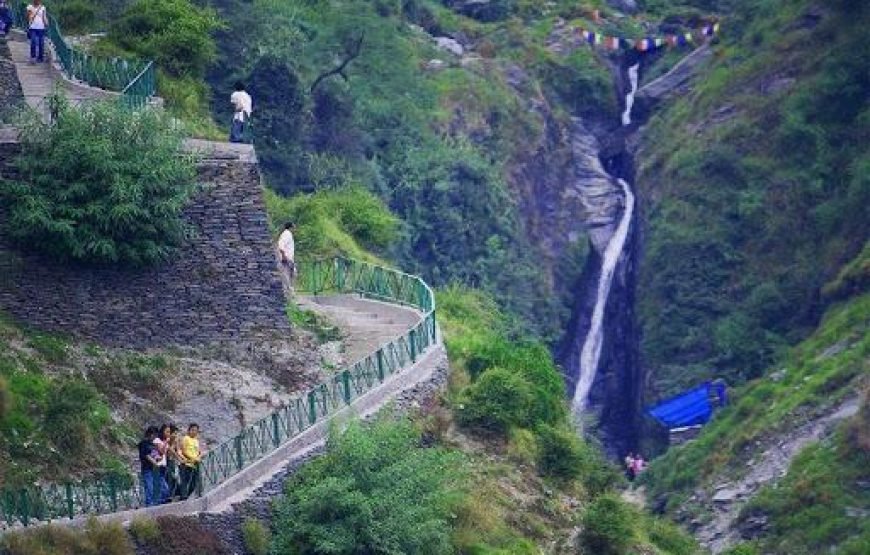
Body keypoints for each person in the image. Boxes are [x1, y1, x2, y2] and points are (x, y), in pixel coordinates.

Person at [138, 426, 162, 507]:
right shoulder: (143, 443)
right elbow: (146, 455)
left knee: (158, 487)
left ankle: (157, 502)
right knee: (149, 487)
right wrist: (154, 462)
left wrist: (158, 458)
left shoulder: (153, 444)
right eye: (154, 435)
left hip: (154, 469)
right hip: (147, 469)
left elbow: (155, 454)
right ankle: (150, 505)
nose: (155, 437)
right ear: (150, 434)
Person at [179, 423, 203, 500]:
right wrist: (193, 458)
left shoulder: (196, 440)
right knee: (186, 482)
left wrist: (199, 457)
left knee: (193, 484)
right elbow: (183, 450)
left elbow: (199, 451)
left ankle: (186, 496)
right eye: (192, 430)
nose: (194, 432)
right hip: (187, 464)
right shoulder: (185, 438)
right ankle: (183, 497)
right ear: (189, 430)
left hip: (195, 465)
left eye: (196, 430)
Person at [277, 221, 296, 295]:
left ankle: (290, 292)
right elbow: (280, 245)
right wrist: (284, 256)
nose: (295, 229)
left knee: (292, 274)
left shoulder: (287, 234)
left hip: (288, 258)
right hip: (286, 259)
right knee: (287, 275)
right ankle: (289, 293)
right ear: (290, 227)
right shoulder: (287, 234)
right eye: (294, 227)